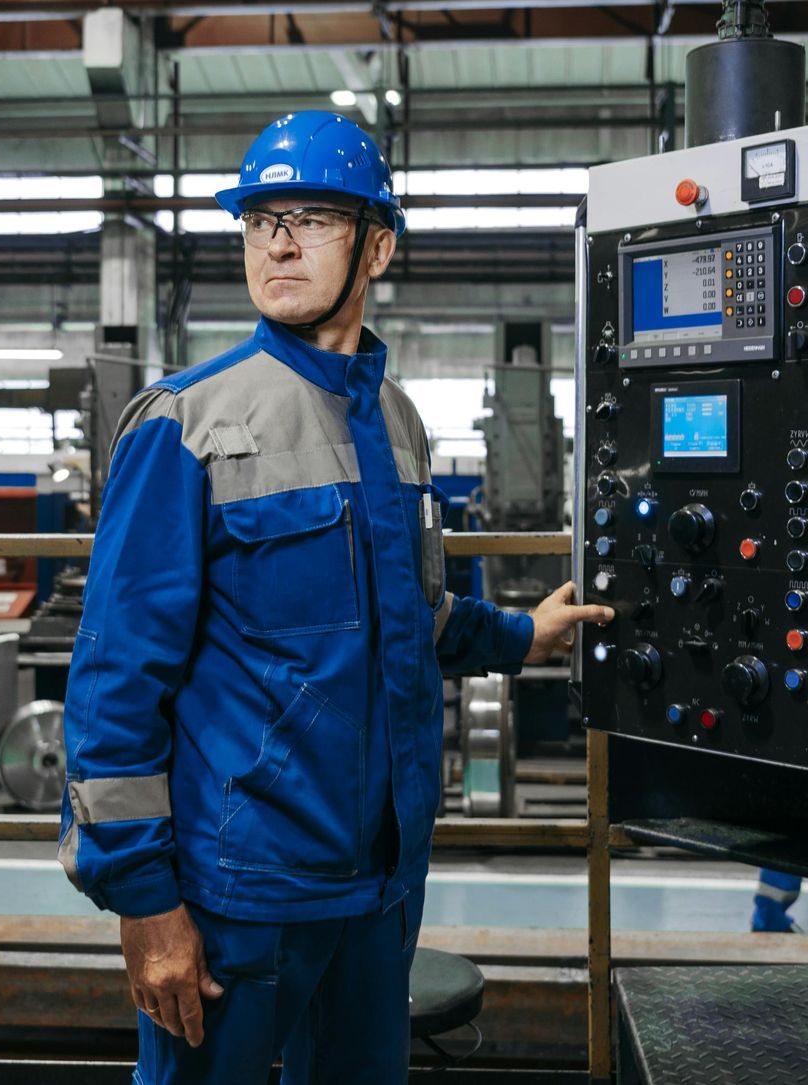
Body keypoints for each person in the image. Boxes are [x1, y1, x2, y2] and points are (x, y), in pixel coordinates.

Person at [59, 110, 613, 1084]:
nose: (278, 239)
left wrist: (524, 632)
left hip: (380, 881)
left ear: (378, 245)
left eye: (312, 216)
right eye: (260, 217)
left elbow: (408, 620)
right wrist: (145, 901)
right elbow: (112, 685)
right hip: (240, 889)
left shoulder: (398, 427)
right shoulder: (188, 425)